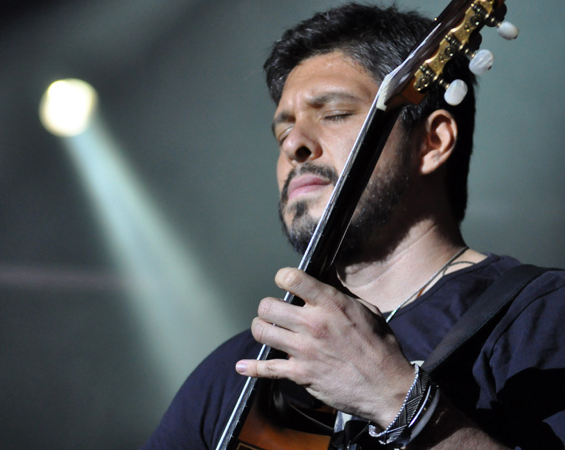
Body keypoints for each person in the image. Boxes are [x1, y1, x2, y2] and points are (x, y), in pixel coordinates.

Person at [142, 3, 565, 449]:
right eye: (283, 133)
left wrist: (402, 403)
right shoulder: (243, 370)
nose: (295, 146)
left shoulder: (541, 317)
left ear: (433, 142)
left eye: (335, 113)